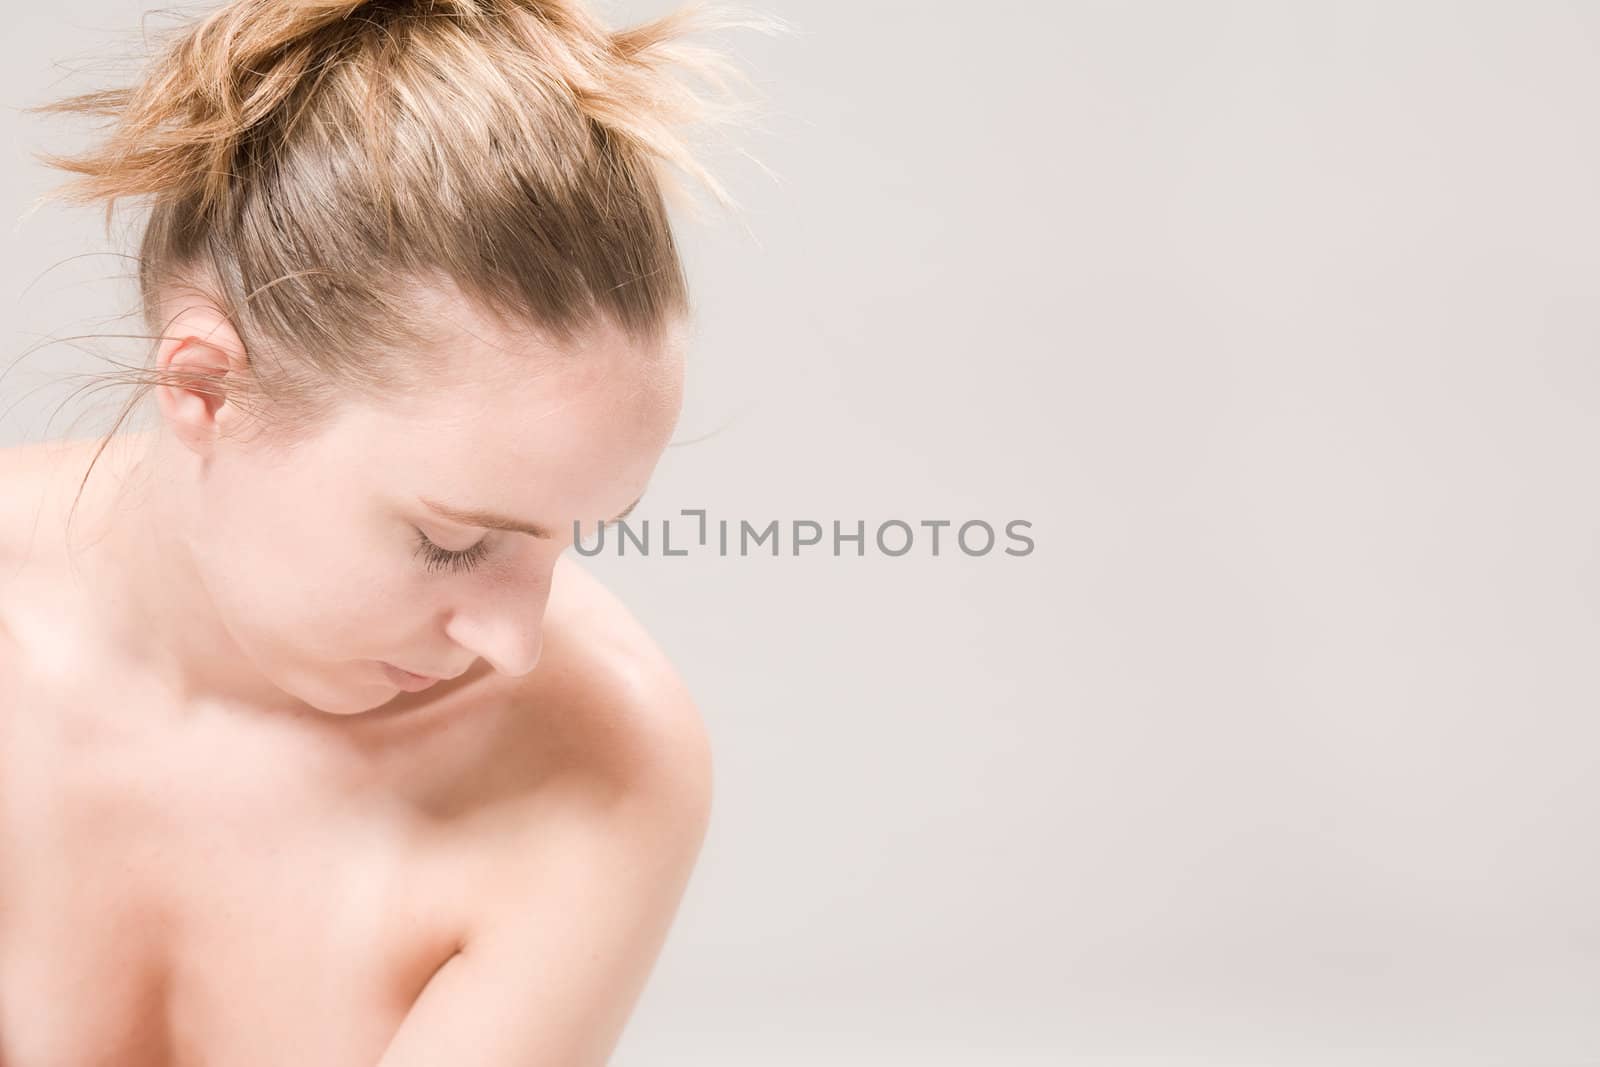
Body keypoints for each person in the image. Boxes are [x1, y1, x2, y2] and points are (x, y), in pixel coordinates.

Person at [0, 1, 784, 1063]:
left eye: (570, 538)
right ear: (205, 385)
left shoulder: (600, 759)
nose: (514, 640)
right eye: (454, 541)